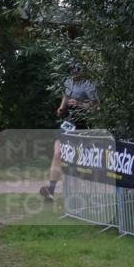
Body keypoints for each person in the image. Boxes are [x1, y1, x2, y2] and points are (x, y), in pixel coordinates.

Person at [40, 64, 98, 201]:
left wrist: (79, 104)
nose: (74, 74)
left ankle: (86, 194)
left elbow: (96, 105)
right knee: (58, 153)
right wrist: (61, 108)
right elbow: (66, 95)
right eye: (71, 71)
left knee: (81, 160)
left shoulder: (89, 84)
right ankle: (51, 191)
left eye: (76, 71)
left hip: (83, 123)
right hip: (69, 122)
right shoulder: (68, 81)